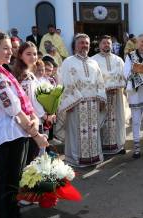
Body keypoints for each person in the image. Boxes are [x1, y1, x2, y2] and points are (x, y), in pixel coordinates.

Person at [0, 29, 48, 218]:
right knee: (8, 185)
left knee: (12, 183)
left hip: (16, 134)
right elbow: (14, 110)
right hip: (8, 136)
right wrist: (36, 135)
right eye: (5, 48)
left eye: (11, 49)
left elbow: (22, 103)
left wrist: (34, 118)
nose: (10, 52)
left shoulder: (2, 72)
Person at [56, 33, 106, 167]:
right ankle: (76, 159)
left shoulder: (94, 62)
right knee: (76, 132)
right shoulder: (68, 61)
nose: (84, 45)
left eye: (86, 43)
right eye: (81, 43)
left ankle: (93, 157)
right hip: (76, 104)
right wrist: (70, 102)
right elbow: (66, 82)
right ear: (75, 45)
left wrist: (101, 99)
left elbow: (100, 82)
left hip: (94, 104)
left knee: (93, 132)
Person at [13, 42, 54, 163]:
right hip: (32, 121)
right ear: (20, 55)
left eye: (35, 54)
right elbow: (32, 102)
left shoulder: (26, 73)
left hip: (28, 120)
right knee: (34, 159)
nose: (33, 57)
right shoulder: (27, 76)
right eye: (28, 54)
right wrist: (45, 116)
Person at [92, 35, 126, 155]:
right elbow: (93, 79)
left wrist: (118, 85)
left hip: (117, 96)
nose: (107, 45)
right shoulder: (93, 60)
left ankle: (118, 145)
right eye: (104, 43)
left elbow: (125, 76)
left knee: (118, 120)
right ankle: (101, 147)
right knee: (102, 120)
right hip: (101, 97)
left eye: (109, 43)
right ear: (99, 45)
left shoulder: (119, 60)